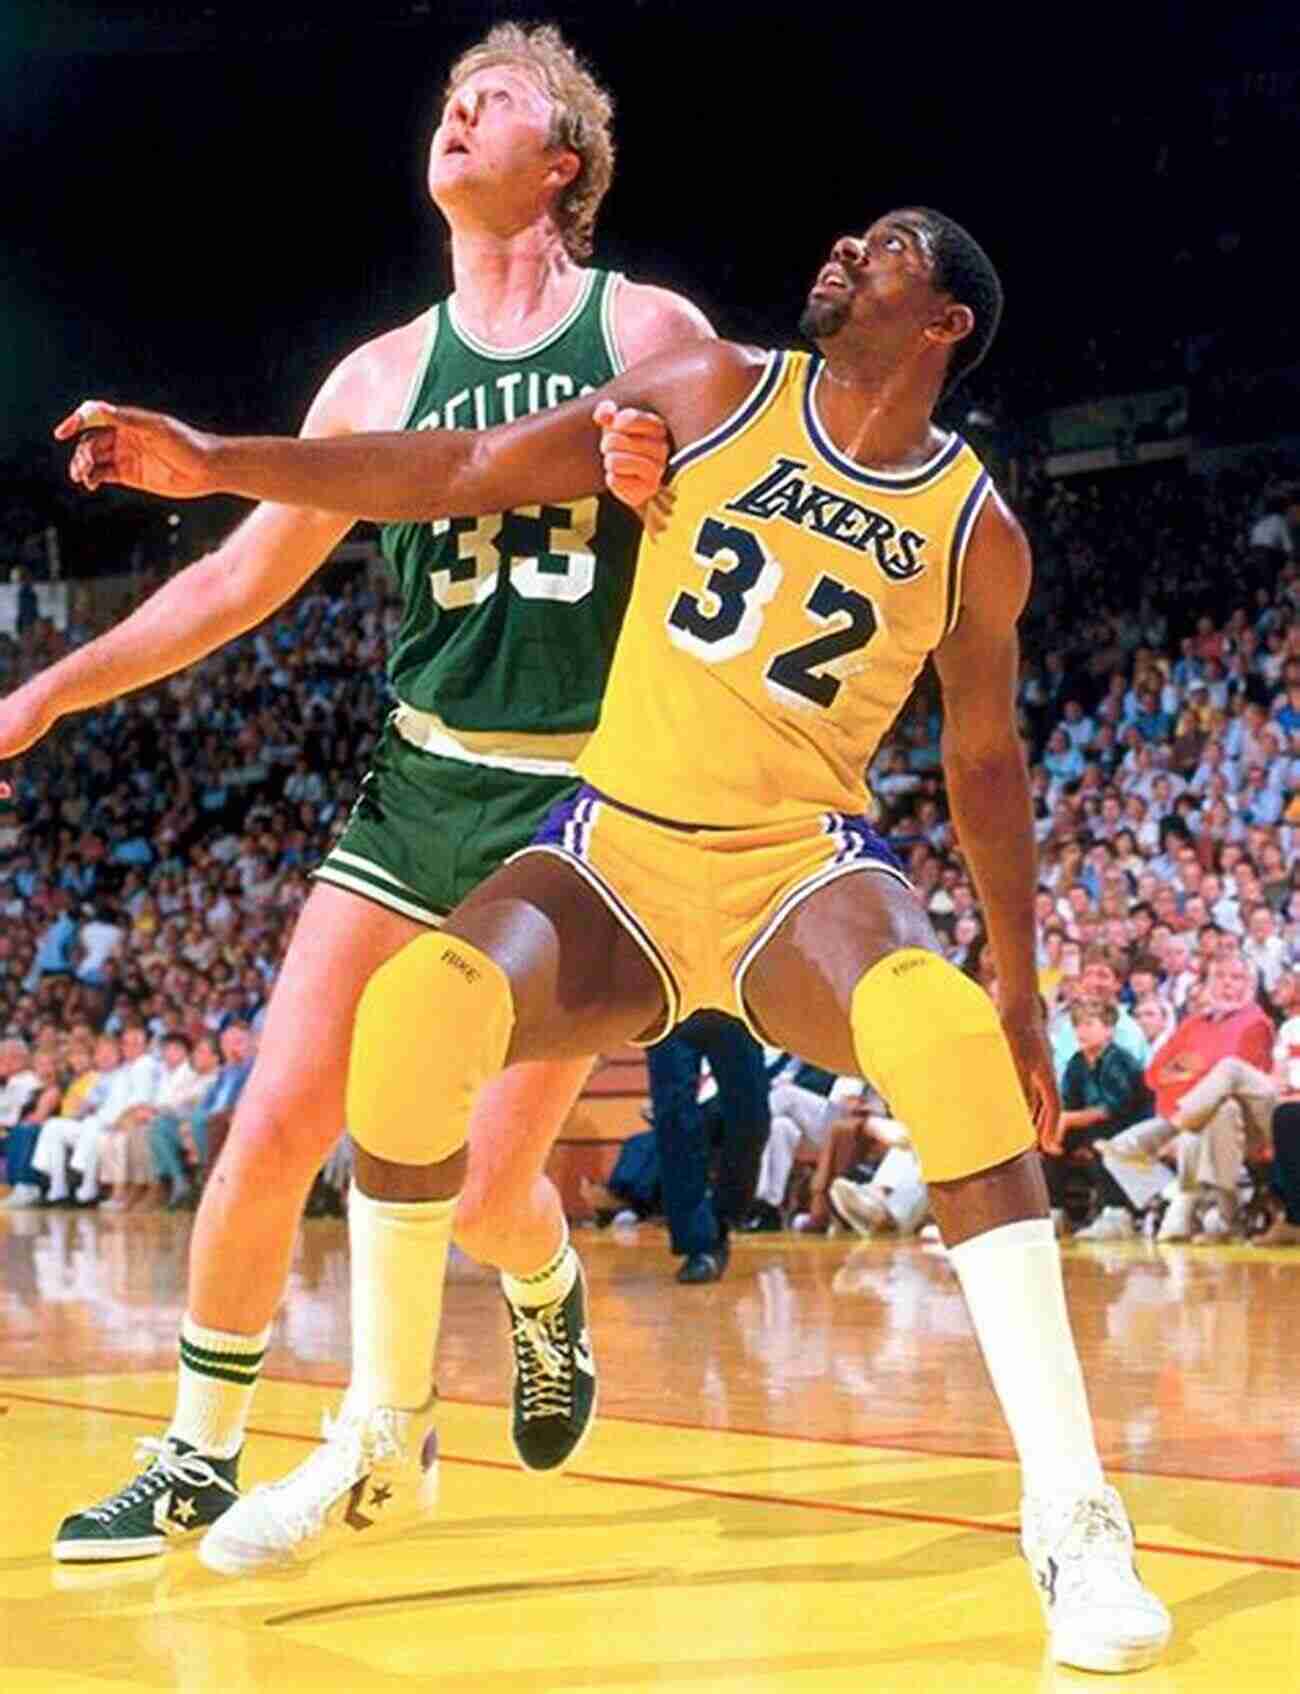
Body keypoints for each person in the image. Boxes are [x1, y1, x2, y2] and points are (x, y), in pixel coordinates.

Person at [62, 205, 1173, 1673]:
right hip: (621, 849)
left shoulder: (979, 529)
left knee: (945, 1030)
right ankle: (384, 1438)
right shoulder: (712, 387)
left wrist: (1022, 984)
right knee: (413, 1013)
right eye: (845, 233)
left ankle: (1076, 1515)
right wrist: (219, 461)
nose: (844, 244)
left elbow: (983, 763)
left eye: (888, 245)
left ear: (945, 321)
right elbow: (453, 470)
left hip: (794, 866)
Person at [10, 24, 707, 1564]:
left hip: (584, 815)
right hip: (418, 790)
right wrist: (51, 686)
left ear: (565, 164)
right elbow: (238, 585)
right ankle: (196, 1451)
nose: (458, 111)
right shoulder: (380, 375)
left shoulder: (650, 326)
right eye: (452, 97)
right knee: (275, 1121)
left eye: (499, 100)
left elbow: (738, 534)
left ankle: (543, 1288)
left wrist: (675, 484)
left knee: (478, 1191)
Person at [1101, 956, 1274, 1241]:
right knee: (1117, 1151)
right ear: (1207, 984)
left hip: (1235, 1121)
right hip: (1180, 1114)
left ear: (1251, 985)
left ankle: (1191, 1207)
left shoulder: (1256, 1024)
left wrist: (1185, 1072)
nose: (1227, 984)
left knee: (1213, 1115)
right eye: (1220, 976)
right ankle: (1171, 1197)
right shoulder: (1192, 1024)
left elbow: (1228, 1082)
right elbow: (1154, 1075)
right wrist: (1195, 1077)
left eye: (1236, 978)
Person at [645, 1009, 771, 1282]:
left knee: (753, 1117)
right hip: (670, 1007)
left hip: (732, 1005)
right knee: (676, 1123)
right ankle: (699, 1245)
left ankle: (723, 1216)